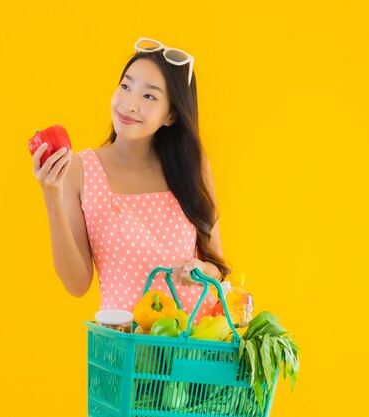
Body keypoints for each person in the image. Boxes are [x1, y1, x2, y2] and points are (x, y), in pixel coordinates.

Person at [30, 37, 231, 322]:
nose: (129, 104)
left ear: (171, 115)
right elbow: (76, 284)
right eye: (126, 86)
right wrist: (51, 195)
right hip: (126, 352)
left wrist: (197, 270)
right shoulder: (81, 170)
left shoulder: (192, 166)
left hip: (197, 348)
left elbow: (217, 267)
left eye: (149, 96)